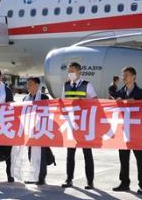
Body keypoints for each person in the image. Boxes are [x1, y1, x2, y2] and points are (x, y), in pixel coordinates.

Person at [112, 66, 142, 195]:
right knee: (123, 158)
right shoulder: (119, 93)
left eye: (127, 75)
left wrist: (135, 102)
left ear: (134, 76)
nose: (124, 78)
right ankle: (124, 182)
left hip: (138, 131)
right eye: (123, 75)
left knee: (140, 159)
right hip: (124, 130)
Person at [61, 62, 97, 190]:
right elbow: (62, 103)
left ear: (79, 72)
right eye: (69, 71)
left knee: (87, 153)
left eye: (73, 71)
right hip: (72, 124)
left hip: (84, 124)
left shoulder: (87, 85)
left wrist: (85, 103)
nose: (70, 73)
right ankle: (69, 178)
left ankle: (90, 181)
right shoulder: (65, 86)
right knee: (70, 154)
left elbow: (95, 102)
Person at [23, 77, 55, 185]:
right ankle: (33, 175)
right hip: (29, 130)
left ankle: (41, 177)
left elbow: (49, 112)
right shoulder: (25, 98)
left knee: (41, 155)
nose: (28, 86)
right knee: (31, 154)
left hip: (41, 129)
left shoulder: (44, 97)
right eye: (27, 84)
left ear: (37, 85)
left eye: (30, 84)